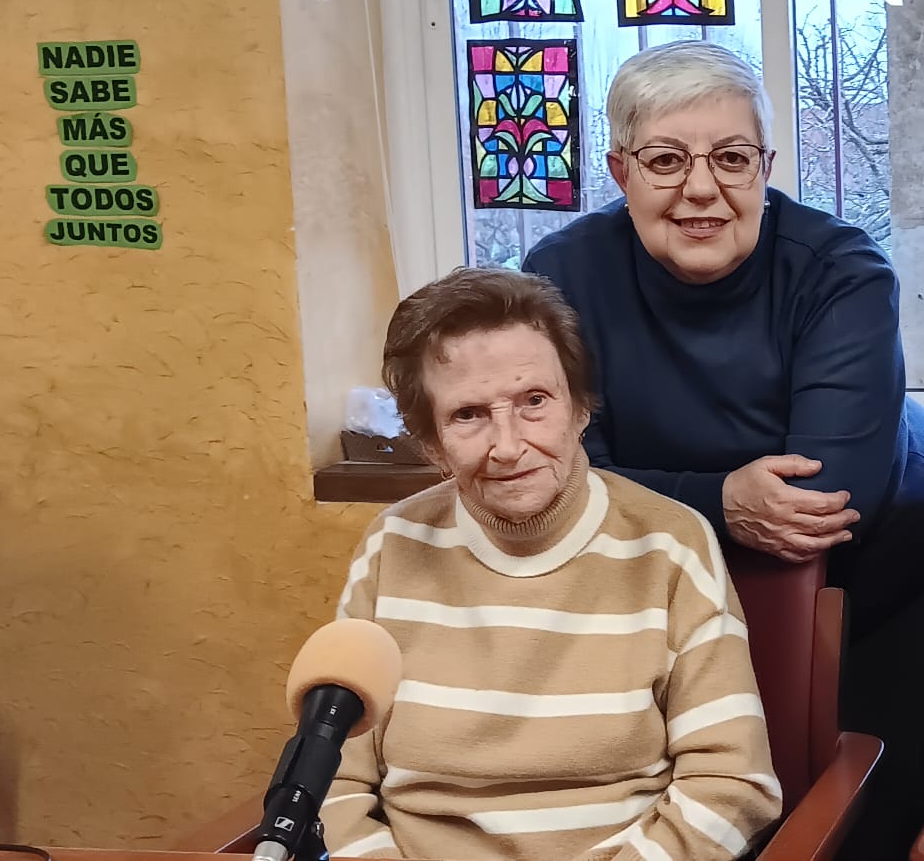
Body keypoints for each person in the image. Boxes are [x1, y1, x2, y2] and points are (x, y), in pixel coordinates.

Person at [520, 40, 924, 859]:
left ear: (766, 166)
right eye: (666, 159)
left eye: (732, 158)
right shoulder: (560, 277)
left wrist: (638, 489)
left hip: (873, 567)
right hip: (662, 578)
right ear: (620, 172)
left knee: (855, 805)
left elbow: (823, 502)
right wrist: (719, 500)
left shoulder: (842, 270)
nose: (702, 188)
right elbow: (552, 479)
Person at [321, 268, 779, 861]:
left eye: (534, 401)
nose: (509, 446)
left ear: (581, 407)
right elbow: (333, 780)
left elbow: (732, 784)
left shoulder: (671, 544)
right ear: (431, 443)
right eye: (468, 414)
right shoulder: (392, 544)